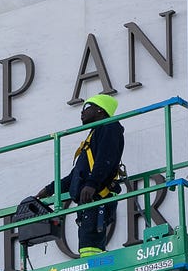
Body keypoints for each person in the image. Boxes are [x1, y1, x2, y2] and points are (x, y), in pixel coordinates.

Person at [37, 94, 124, 257]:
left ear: (100, 110)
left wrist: (92, 184)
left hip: (97, 200)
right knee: (87, 246)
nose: (82, 112)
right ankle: (91, 268)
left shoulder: (110, 127)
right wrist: (50, 189)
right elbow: (75, 176)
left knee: (91, 248)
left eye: (86, 107)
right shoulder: (94, 136)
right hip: (90, 203)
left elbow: (105, 159)